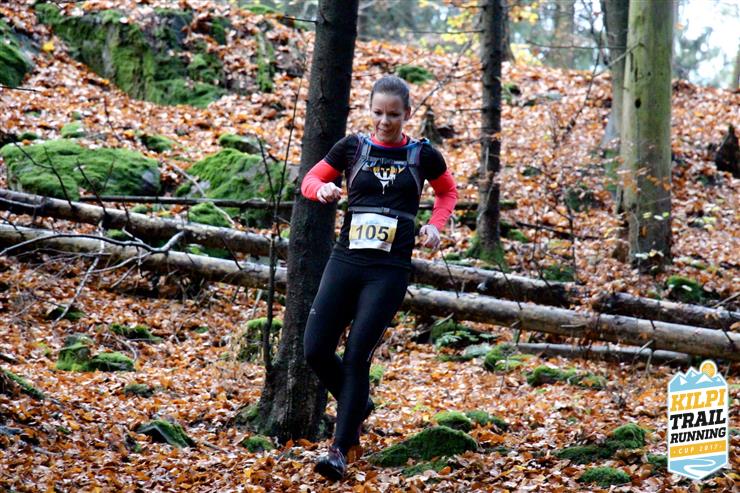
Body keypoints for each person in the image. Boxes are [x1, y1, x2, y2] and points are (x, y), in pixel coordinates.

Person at [300, 75, 458, 480]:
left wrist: (436, 226)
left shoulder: (423, 155)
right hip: (346, 261)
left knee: (357, 355)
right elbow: (310, 180)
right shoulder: (352, 147)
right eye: (378, 113)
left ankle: (339, 450)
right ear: (368, 110)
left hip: (388, 271)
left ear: (407, 115)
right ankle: (358, 405)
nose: (384, 121)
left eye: (393, 115)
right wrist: (322, 192)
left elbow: (447, 192)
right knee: (315, 348)